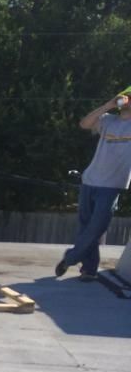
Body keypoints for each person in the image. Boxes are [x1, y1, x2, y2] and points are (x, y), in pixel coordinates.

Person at [55, 87, 131, 281]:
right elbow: (84, 124)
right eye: (126, 98)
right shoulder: (108, 120)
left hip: (112, 185)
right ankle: (89, 270)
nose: (127, 101)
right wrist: (108, 104)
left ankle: (71, 258)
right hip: (90, 180)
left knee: (96, 227)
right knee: (85, 228)